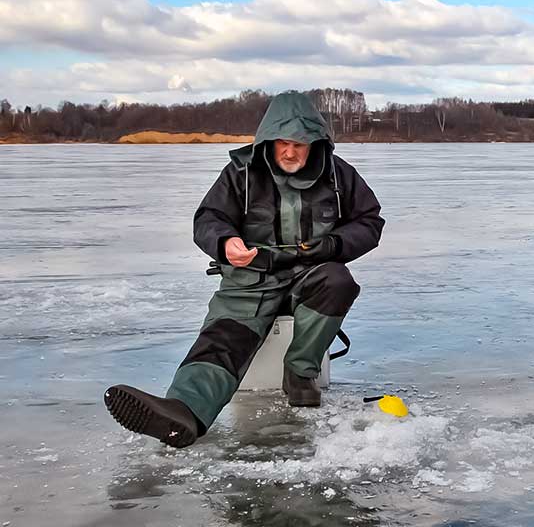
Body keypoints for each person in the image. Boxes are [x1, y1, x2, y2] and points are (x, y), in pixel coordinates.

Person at [103, 91, 385, 447]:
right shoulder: (240, 173)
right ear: (268, 140)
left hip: (310, 275)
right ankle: (184, 411)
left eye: (300, 143)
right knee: (223, 340)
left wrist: (333, 246)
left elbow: (369, 220)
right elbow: (209, 218)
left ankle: (300, 374)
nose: (290, 152)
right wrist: (224, 243)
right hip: (250, 281)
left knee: (338, 280)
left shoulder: (338, 173)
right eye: (282, 142)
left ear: (315, 143)